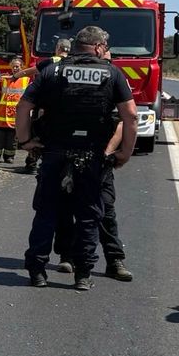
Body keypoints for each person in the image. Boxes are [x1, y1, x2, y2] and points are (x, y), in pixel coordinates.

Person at [17, 26, 136, 290]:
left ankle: (37, 271)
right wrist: (125, 152)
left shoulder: (52, 71)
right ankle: (83, 274)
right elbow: (130, 116)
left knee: (46, 212)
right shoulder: (112, 73)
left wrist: (25, 141)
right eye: (105, 46)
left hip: (54, 152)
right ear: (97, 47)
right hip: (92, 155)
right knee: (89, 216)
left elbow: (24, 106)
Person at [53, 44, 133, 282]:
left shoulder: (115, 78)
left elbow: (122, 121)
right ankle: (67, 256)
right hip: (71, 152)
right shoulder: (67, 74)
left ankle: (114, 259)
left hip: (100, 157)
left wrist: (109, 152)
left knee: (105, 209)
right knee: (66, 207)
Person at [23, 38, 73, 175]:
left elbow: (31, 71)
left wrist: (15, 75)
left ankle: (32, 162)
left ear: (58, 48)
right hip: (66, 106)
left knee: (37, 132)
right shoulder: (74, 63)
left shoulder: (50, 61)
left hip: (44, 103)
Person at [0, 58, 28, 163]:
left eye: (17, 66)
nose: (15, 68)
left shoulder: (26, 80)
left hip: (15, 116)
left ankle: (9, 156)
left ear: (22, 67)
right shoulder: (5, 79)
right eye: (13, 66)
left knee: (12, 139)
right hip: (1, 114)